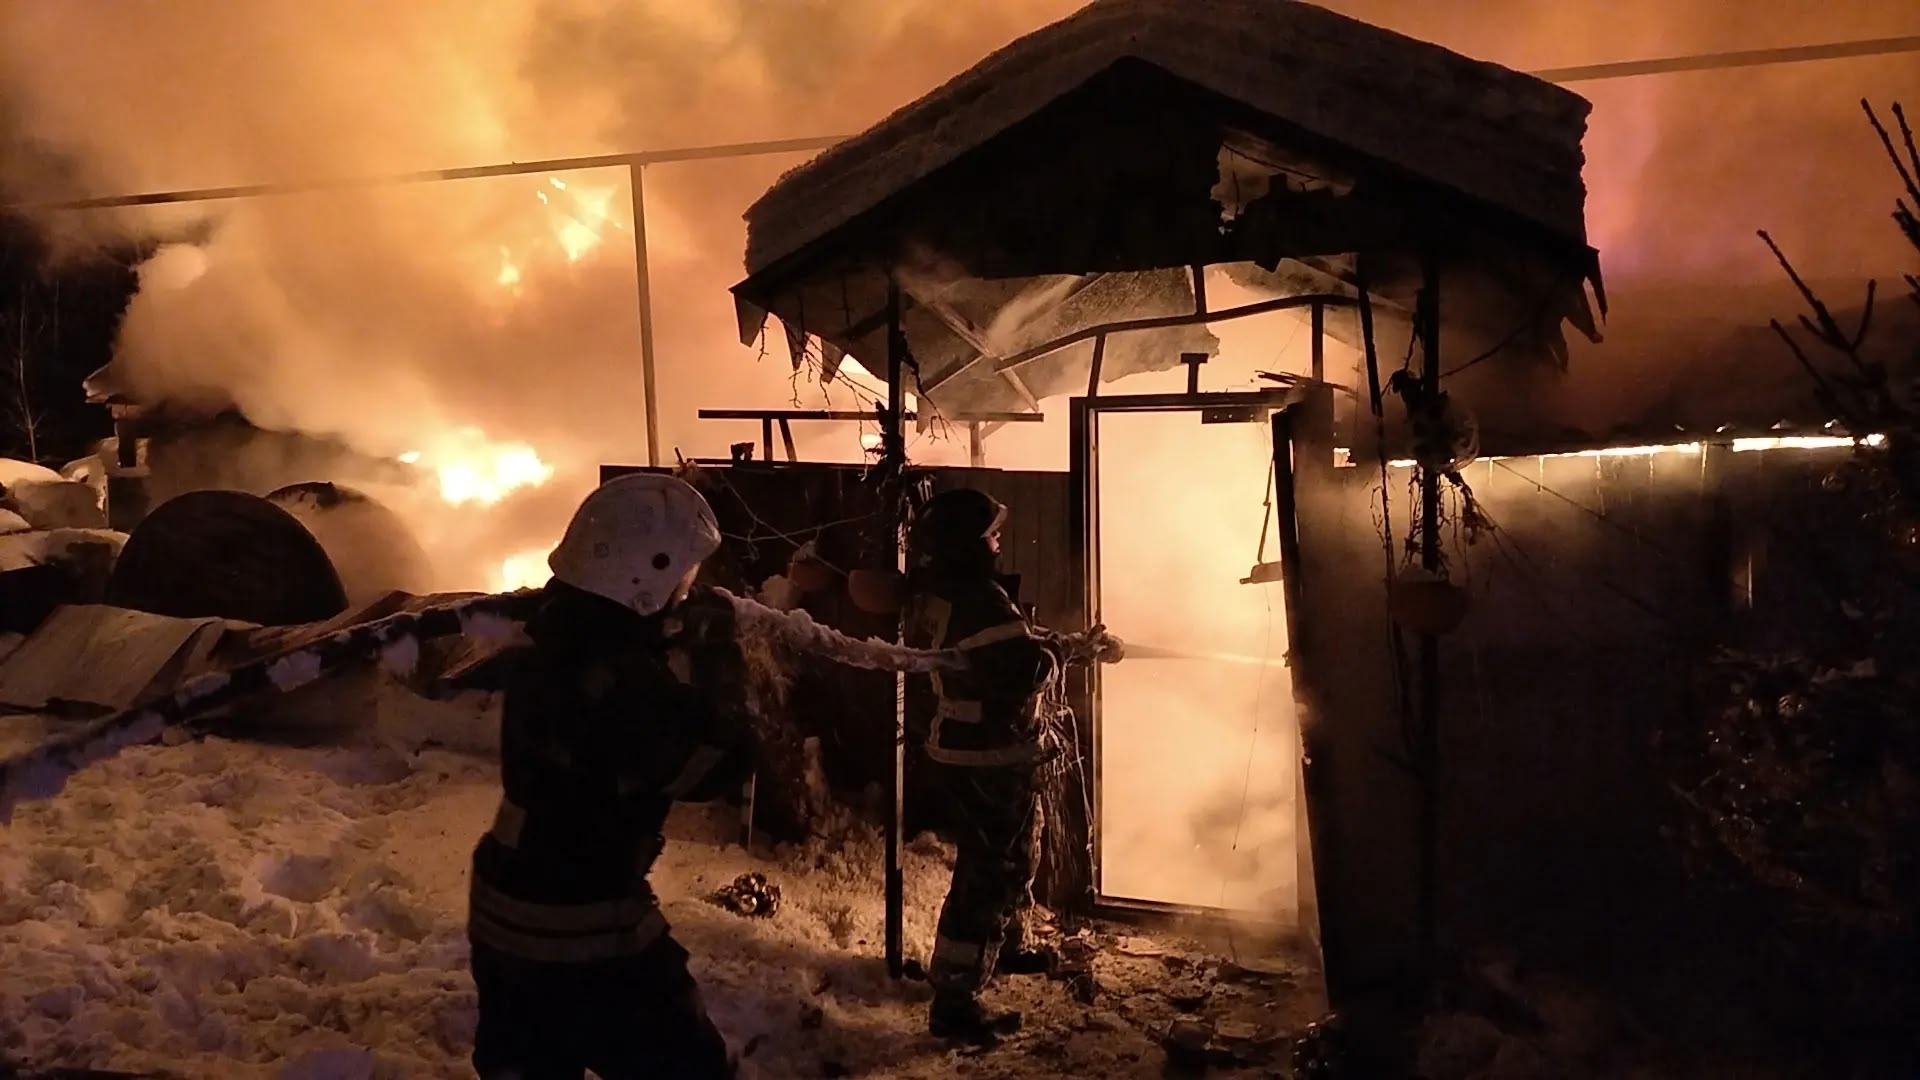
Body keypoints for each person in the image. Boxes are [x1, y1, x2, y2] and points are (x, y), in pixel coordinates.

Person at [467, 473, 753, 1079]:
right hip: (583, 926)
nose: (687, 590)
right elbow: (718, 764)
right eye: (683, 577)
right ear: (643, 576)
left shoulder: (553, 642)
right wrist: (718, 663)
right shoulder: (628, 688)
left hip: (505, 907)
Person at [904, 487, 1123, 1045]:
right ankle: (955, 1001)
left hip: (979, 752)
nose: (998, 540)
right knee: (987, 875)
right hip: (986, 757)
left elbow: (1005, 647)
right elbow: (1022, 670)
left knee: (1017, 854)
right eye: (991, 534)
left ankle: (1006, 946)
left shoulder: (950, 592)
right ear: (967, 545)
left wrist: (1071, 644)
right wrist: (1058, 654)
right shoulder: (979, 598)